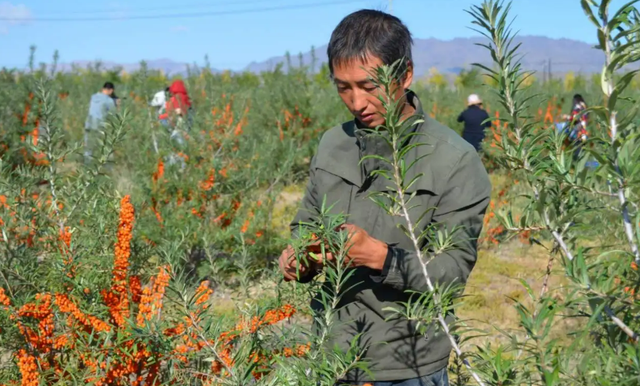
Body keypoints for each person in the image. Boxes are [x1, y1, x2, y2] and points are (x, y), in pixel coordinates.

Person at [278, 9, 491, 386]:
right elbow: (305, 225)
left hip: (408, 364)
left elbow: (453, 273)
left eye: (369, 85)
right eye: (343, 87)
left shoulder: (454, 159)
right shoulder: (332, 144)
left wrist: (382, 258)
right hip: (333, 355)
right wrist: (300, 257)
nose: (357, 102)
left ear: (405, 74)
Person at [84, 82, 117, 164]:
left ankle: (87, 167)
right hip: (100, 126)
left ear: (103, 89)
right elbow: (113, 115)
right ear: (111, 90)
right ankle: (108, 168)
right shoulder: (109, 100)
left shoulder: (93, 97)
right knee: (106, 147)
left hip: (89, 124)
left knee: (88, 148)